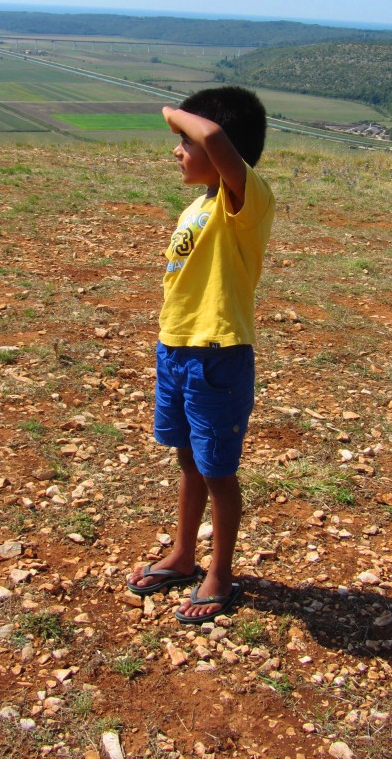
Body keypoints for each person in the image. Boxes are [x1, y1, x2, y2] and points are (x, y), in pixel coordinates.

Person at [126, 86, 275, 623]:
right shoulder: (200, 204)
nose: (177, 148)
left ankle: (220, 572)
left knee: (219, 472)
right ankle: (184, 555)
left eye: (182, 141)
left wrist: (171, 112)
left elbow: (211, 134)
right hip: (178, 351)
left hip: (218, 356)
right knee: (188, 460)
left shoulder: (245, 200)